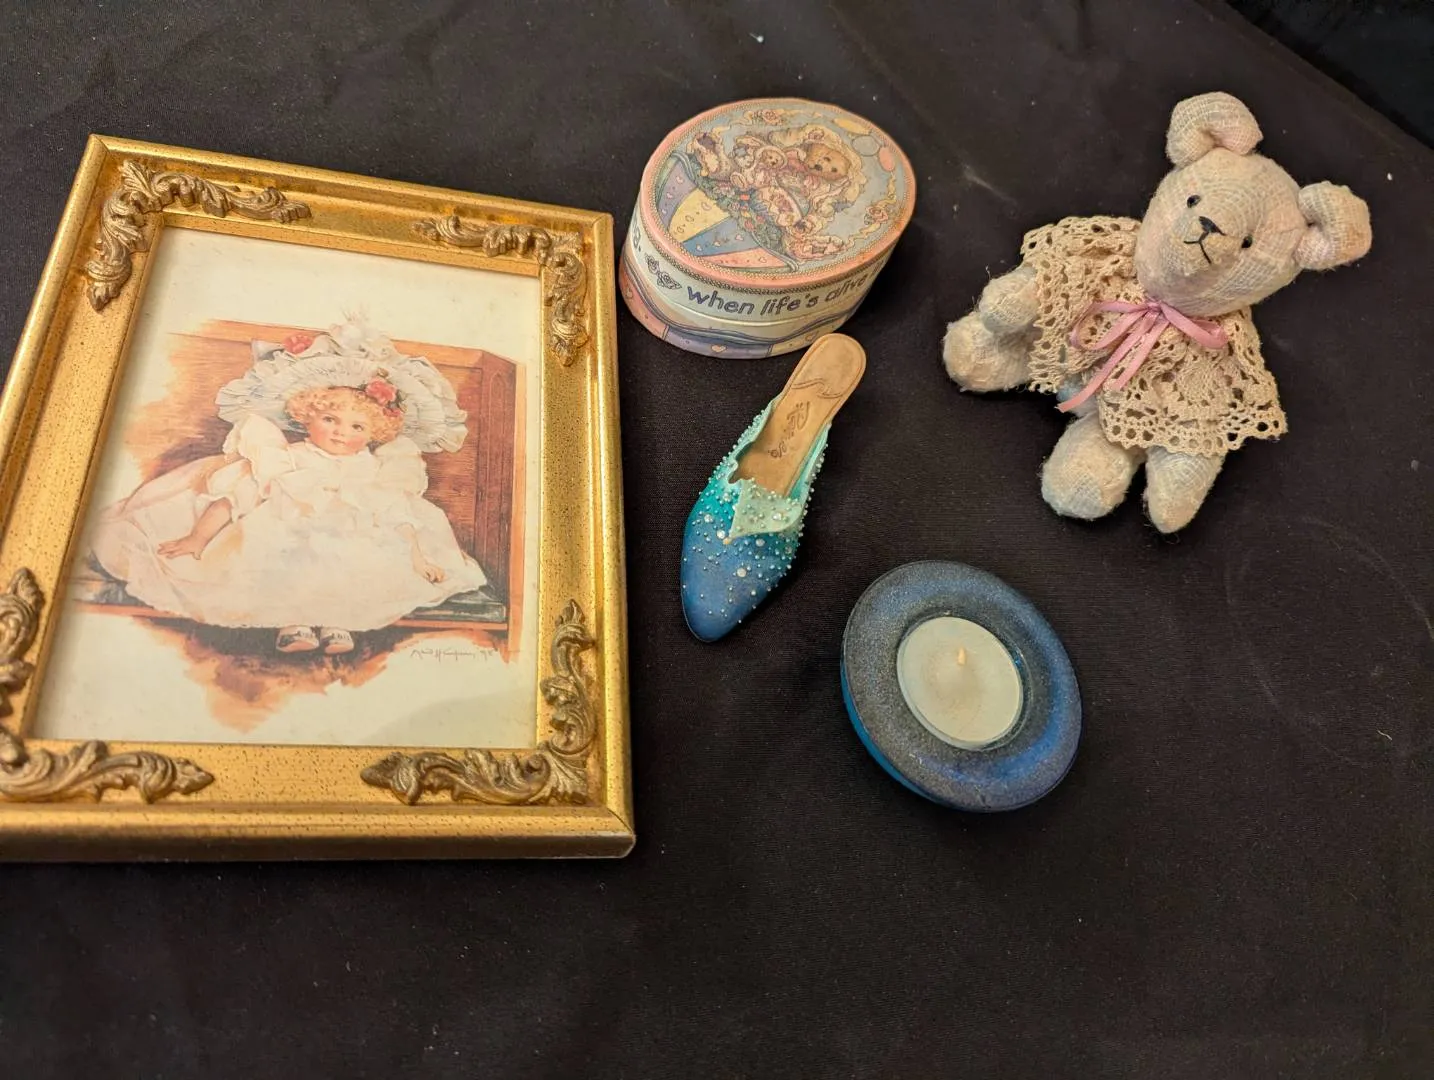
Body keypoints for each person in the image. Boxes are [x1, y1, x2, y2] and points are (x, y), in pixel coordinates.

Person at [90, 320, 488, 654]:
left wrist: (418, 558)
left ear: (374, 434)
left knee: (357, 564)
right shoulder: (287, 458)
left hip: (352, 540)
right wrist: (198, 538)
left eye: (356, 427)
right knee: (281, 559)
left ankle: (338, 623)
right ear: (307, 417)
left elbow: (395, 513)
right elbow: (237, 495)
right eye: (330, 419)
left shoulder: (373, 469)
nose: (341, 432)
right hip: (285, 535)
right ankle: (292, 623)